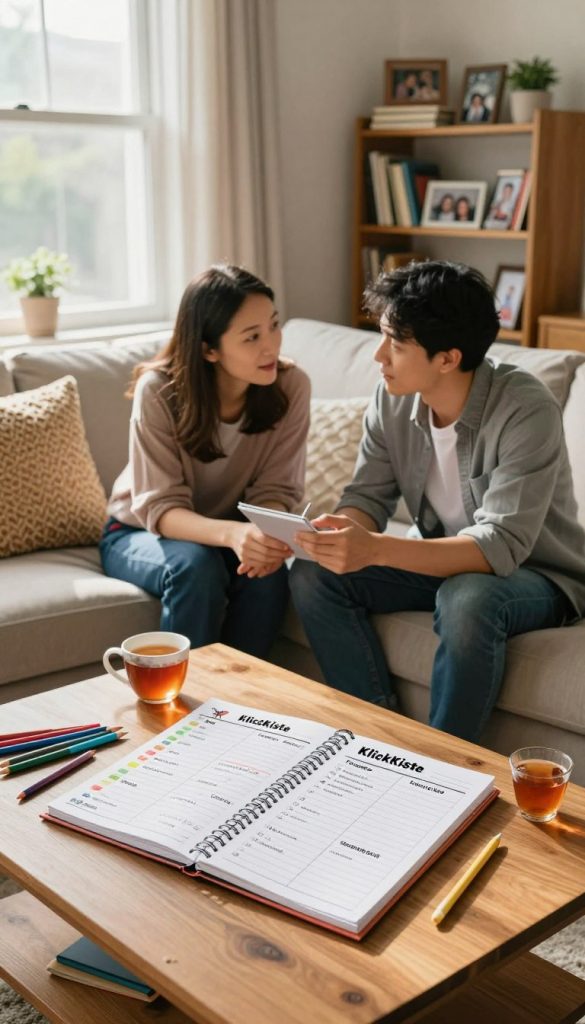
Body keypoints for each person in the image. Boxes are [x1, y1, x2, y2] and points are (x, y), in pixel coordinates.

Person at [289, 260, 585, 743]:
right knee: (314, 573)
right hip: (440, 562)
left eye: (397, 345)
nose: (378, 356)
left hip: (536, 574)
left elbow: (499, 546)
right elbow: (367, 496)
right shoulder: (393, 397)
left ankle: (441, 765)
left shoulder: (525, 407)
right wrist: (338, 534)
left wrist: (375, 549)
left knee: (467, 596)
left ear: (447, 358)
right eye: (382, 336)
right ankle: (376, 738)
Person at [100, 264, 311, 657]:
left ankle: (242, 706)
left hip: (229, 533)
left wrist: (263, 537)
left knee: (267, 574)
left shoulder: (290, 386)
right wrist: (234, 536)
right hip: (139, 531)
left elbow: (276, 490)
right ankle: (177, 707)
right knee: (196, 567)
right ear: (208, 348)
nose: (272, 346)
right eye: (252, 337)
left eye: (274, 325)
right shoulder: (160, 392)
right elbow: (161, 508)